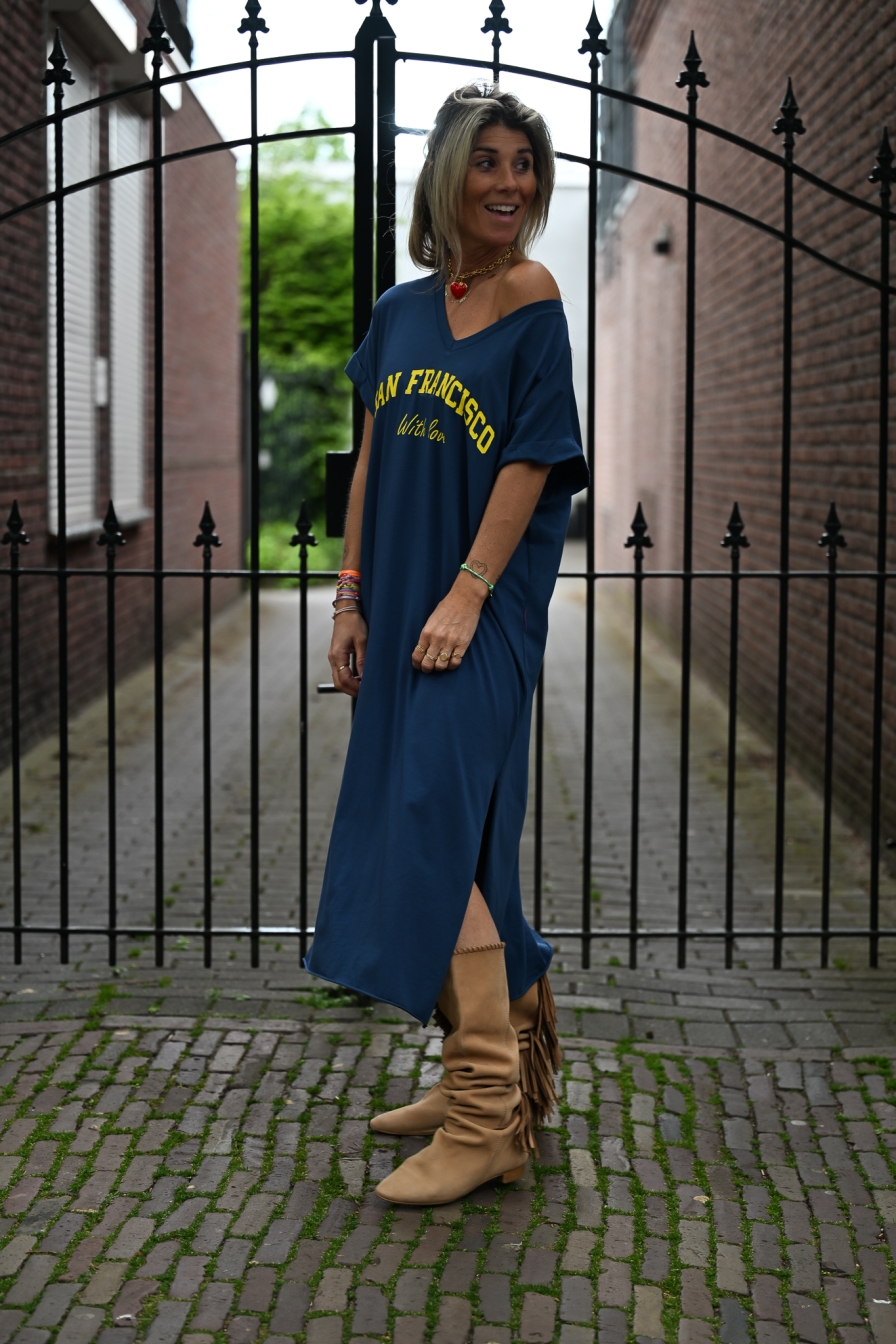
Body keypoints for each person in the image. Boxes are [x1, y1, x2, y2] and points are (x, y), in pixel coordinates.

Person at [305, 83, 588, 1205]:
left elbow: (531, 459)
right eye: (488, 161)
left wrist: (468, 595)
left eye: (525, 163)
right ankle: (512, 1065)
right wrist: (349, 598)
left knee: (425, 823)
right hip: (402, 607)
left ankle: (484, 1118)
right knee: (461, 847)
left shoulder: (533, 297)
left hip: (483, 615)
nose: (510, 182)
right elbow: (370, 461)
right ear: (446, 175)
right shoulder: (402, 311)